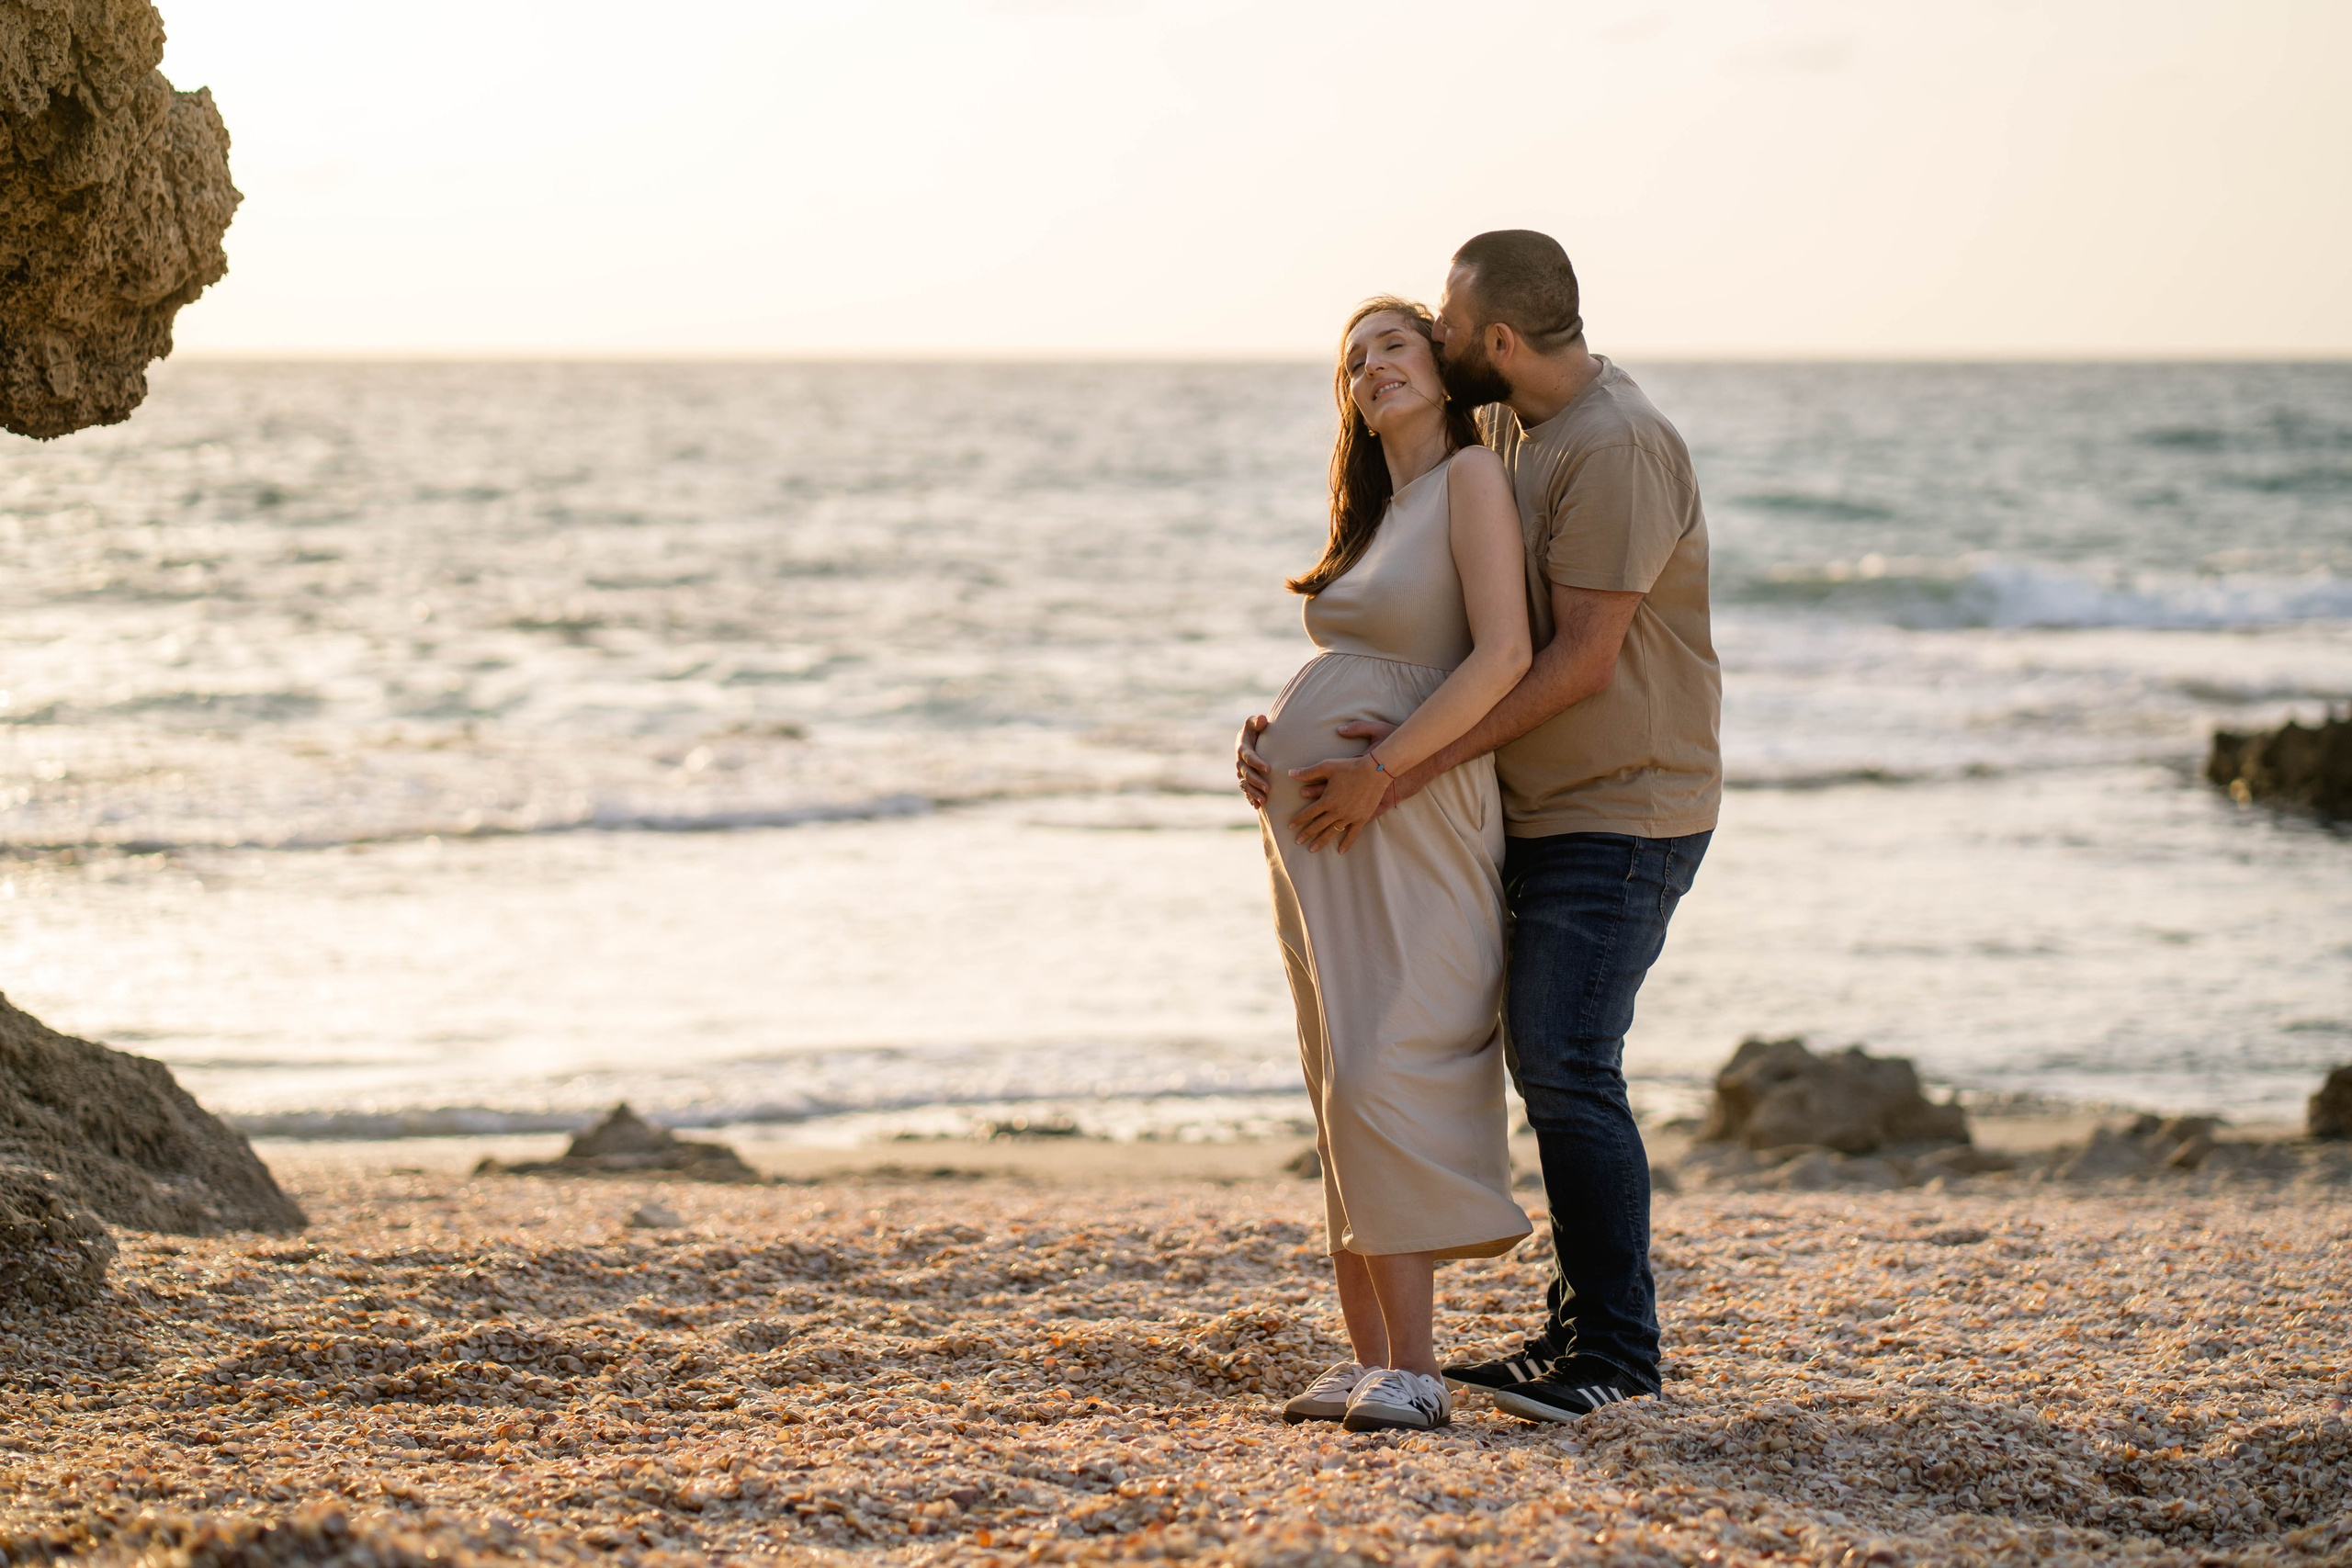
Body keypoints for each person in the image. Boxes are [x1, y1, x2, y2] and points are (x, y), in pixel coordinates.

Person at [1239, 231, 1721, 1422]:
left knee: (1562, 1059)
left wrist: (1396, 770)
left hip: (1623, 803)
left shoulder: (1614, 445)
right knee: (1533, 1061)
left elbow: (1572, 658)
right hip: (1519, 806)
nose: (1433, 346)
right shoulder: (1504, 429)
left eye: (1443, 329)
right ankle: (1570, 1332)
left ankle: (1617, 1350)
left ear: (1496, 341)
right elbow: (1435, 611)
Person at [1250, 295, 1534, 1434]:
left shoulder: (1469, 480)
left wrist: (1386, 768)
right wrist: (1270, 731)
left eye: (1395, 346)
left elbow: (1505, 655)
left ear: (1442, 365)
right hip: (1326, 837)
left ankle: (1417, 1370)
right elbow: (1360, 661)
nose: (1373, 369)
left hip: (1409, 814)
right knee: (1335, 1080)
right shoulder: (1382, 513)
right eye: (1354, 361)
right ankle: (1371, 1359)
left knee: (1385, 1064)